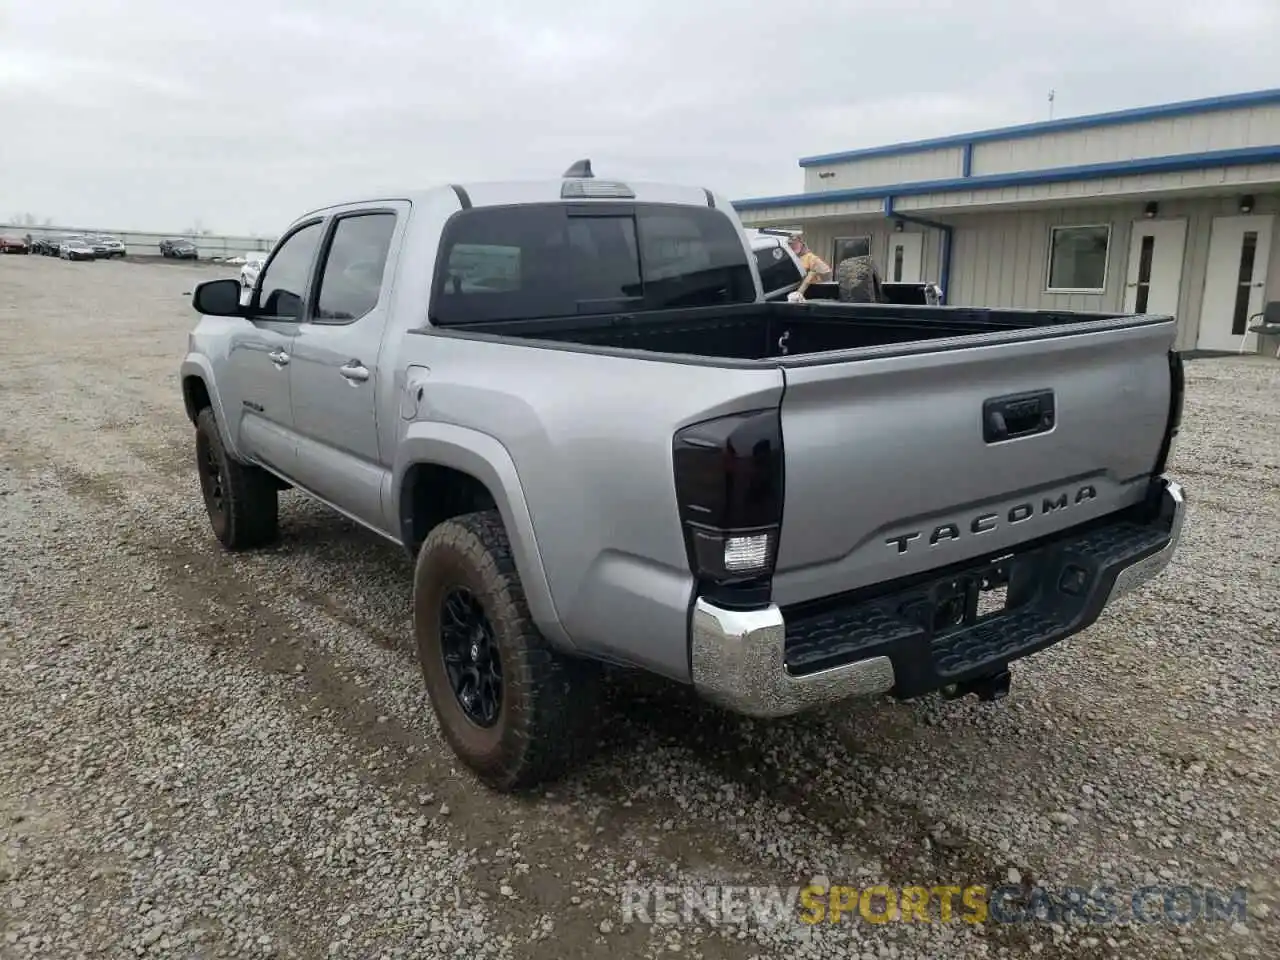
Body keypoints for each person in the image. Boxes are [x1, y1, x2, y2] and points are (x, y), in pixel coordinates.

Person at [787, 234, 831, 301]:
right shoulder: (791, 259)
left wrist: (799, 292)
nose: (793, 246)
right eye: (790, 244)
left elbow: (826, 272)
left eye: (795, 243)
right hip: (791, 291)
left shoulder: (811, 258)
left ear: (801, 244)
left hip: (811, 293)